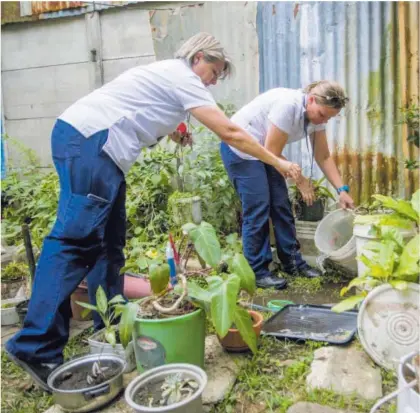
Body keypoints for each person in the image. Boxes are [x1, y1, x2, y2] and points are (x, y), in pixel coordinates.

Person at [5, 33, 303, 391]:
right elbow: (228, 131)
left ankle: (111, 327)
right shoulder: (184, 77)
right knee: (75, 242)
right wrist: (278, 162)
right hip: (91, 143)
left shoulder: (170, 77)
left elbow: (145, 107)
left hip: (98, 148)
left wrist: (175, 131)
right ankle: (35, 346)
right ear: (198, 58)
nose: (214, 80)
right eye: (215, 70)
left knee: (109, 245)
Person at [220, 80, 355, 290]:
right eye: (322, 114)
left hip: (264, 151)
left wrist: (341, 190)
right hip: (241, 150)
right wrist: (301, 181)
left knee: (281, 205)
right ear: (311, 99)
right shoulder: (288, 106)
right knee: (258, 207)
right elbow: (272, 152)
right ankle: (258, 271)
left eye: (329, 117)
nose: (324, 120)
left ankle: (293, 263)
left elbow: (323, 155)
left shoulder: (316, 115)